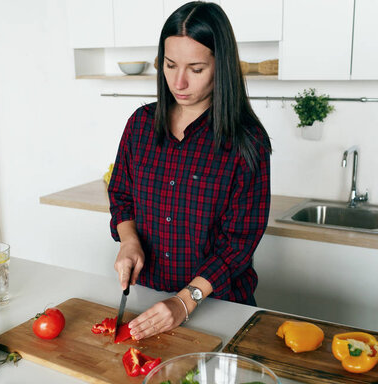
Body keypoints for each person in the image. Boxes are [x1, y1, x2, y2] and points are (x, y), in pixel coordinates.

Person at [107, 1, 271, 340]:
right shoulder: (140, 126)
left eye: (196, 69)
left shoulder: (246, 142)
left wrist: (185, 301)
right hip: (150, 301)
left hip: (221, 307)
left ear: (220, 66)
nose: (178, 82)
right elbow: (121, 194)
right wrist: (129, 241)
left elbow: (237, 244)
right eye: (169, 65)